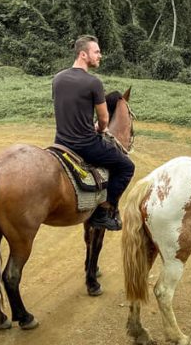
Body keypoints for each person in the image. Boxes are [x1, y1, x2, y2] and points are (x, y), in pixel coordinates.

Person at [52, 35, 135, 231]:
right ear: (83, 54)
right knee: (126, 167)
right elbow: (104, 120)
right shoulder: (93, 83)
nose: (100, 55)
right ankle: (103, 212)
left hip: (60, 143)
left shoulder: (57, 79)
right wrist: (99, 128)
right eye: (96, 52)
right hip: (85, 144)